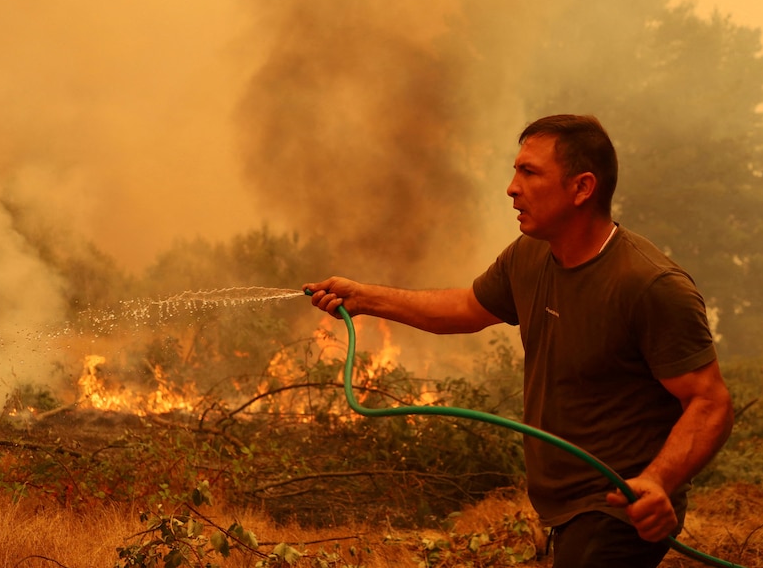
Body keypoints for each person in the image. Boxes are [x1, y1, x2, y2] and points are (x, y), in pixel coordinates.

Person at [304, 114, 734, 568]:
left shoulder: (649, 285)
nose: (511, 187)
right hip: (560, 504)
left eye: (529, 172)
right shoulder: (529, 256)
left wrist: (657, 482)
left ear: (582, 188)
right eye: (515, 171)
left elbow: (711, 403)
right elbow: (465, 309)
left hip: (619, 504)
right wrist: (365, 296)